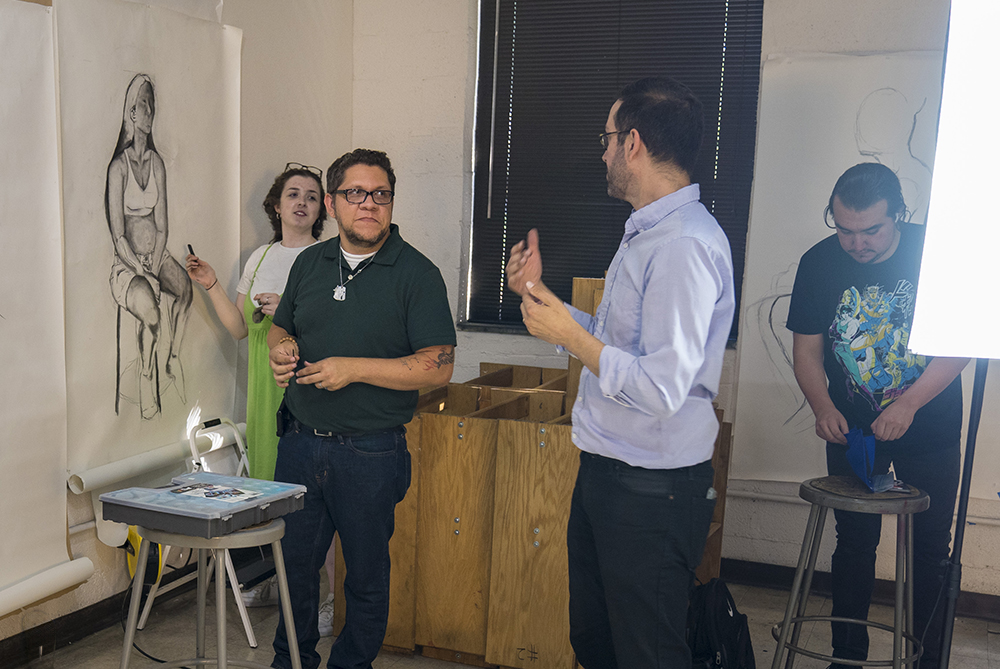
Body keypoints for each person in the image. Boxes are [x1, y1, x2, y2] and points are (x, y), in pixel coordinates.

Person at [507, 77, 735, 668]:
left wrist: (572, 338)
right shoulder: (649, 232)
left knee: (647, 653)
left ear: (633, 143)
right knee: (597, 638)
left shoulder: (682, 245)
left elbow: (661, 386)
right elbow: (624, 344)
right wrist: (542, 299)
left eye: (606, 139)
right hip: (612, 470)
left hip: (652, 488)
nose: (601, 151)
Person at [267, 148, 456, 669]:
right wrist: (278, 346)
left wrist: (354, 368)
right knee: (295, 571)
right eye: (355, 193)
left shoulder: (417, 273)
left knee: (366, 578)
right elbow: (283, 326)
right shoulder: (309, 263)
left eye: (380, 194)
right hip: (300, 446)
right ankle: (292, 662)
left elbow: (438, 366)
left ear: (391, 202)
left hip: (371, 454)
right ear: (333, 202)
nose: (368, 204)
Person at [787, 162, 967, 669]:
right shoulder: (818, 263)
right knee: (854, 541)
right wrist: (822, 407)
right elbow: (807, 353)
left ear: (898, 217)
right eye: (844, 230)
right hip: (855, 433)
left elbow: (958, 347)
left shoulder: (936, 254)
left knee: (929, 548)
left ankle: (925, 661)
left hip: (928, 428)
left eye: (871, 231)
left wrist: (909, 404)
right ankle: (846, 657)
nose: (857, 243)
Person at [186, 163, 331, 612]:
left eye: (311, 195)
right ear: (276, 205)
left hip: (307, 385)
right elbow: (239, 329)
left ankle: (324, 598)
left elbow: (332, 330)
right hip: (266, 390)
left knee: (312, 499)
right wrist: (211, 284)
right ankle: (281, 584)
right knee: (274, 490)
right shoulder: (261, 258)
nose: (302, 201)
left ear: (322, 208)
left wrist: (286, 308)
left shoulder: (328, 260)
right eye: (293, 194)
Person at [106, 73, 192, 418]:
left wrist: (155, 269)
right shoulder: (118, 167)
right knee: (152, 313)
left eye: (151, 105)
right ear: (131, 113)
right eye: (143, 105)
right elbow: (118, 236)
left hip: (154, 258)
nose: (149, 112)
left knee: (185, 290)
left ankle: (172, 358)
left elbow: (162, 227)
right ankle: (147, 381)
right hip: (126, 266)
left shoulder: (156, 163)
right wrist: (142, 272)